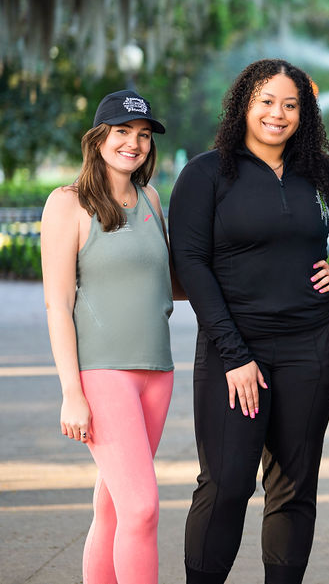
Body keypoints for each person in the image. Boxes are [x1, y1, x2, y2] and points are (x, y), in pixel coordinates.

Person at [169, 59, 329, 584]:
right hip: (234, 352)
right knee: (227, 484)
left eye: (290, 104)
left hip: (310, 350)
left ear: (304, 114)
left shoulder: (323, 173)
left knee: (294, 486)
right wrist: (235, 356)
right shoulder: (207, 173)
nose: (277, 114)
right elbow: (191, 264)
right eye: (265, 101)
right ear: (243, 106)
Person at [41, 90, 175, 584]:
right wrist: (71, 393)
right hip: (103, 375)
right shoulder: (67, 204)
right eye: (122, 132)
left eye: (142, 135)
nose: (133, 143)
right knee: (141, 508)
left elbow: (163, 281)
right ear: (99, 139)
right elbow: (58, 304)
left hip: (157, 373)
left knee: (116, 508)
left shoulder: (151, 198)